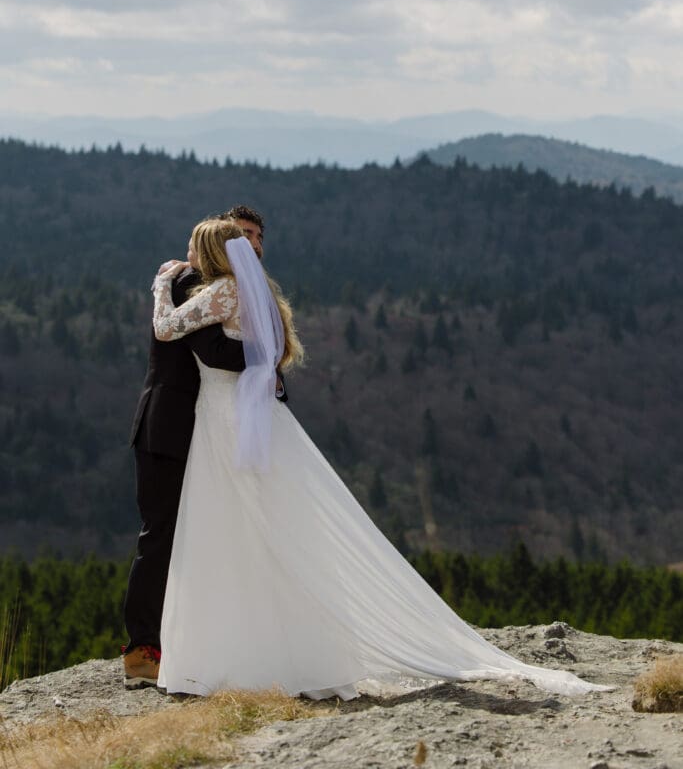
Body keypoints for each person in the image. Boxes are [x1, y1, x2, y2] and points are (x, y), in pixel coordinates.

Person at [150, 218, 610, 700]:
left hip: (227, 417)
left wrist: (162, 284)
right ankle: (282, 652)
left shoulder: (221, 293)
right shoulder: (249, 289)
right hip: (249, 414)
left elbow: (165, 329)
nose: (188, 256)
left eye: (192, 248)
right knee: (260, 528)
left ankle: (235, 656)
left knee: (233, 527)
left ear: (209, 251)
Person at [122, 206, 268, 688]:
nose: (248, 246)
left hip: (204, 429)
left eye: (253, 238)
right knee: (161, 535)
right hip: (168, 427)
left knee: (198, 535)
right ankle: (143, 651)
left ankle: (187, 641)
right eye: (238, 238)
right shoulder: (187, 282)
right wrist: (266, 355)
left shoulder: (220, 287)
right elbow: (213, 352)